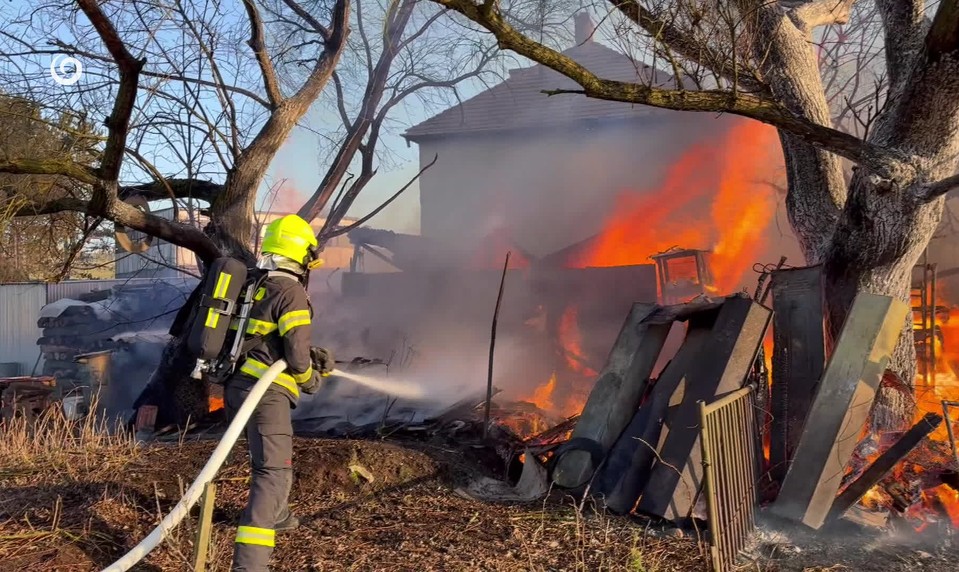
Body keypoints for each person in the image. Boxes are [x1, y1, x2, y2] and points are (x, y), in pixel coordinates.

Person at [224, 214, 335, 572]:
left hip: (240, 387)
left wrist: (305, 359)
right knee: (271, 473)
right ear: (301, 254)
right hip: (264, 393)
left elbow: (271, 340)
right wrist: (310, 379)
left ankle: (281, 515)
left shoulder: (257, 283)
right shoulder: (291, 291)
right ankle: (249, 565)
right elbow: (297, 355)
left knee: (272, 465)